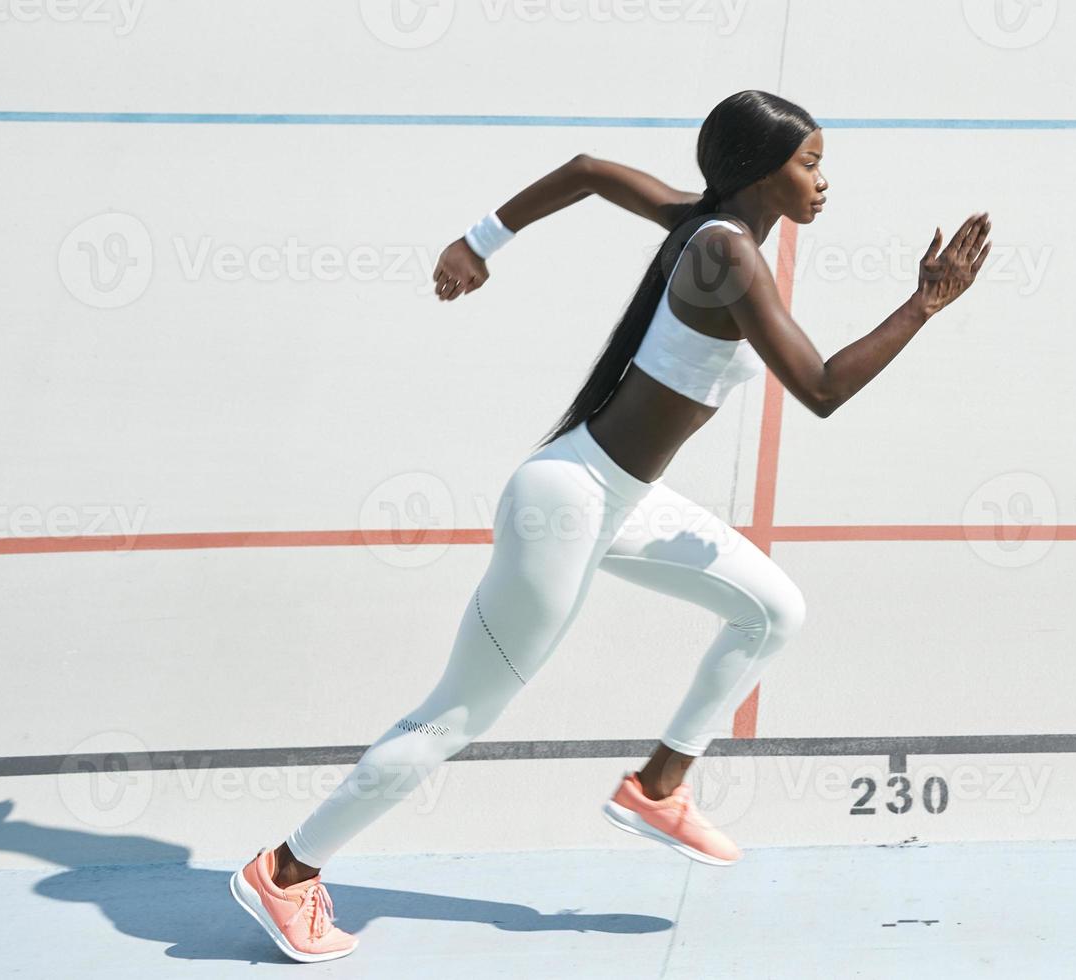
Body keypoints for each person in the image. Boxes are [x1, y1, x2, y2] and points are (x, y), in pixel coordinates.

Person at [228, 89, 993, 963]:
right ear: (757, 171)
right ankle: (286, 871)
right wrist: (924, 305)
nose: (825, 183)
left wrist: (479, 244)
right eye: (810, 164)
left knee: (772, 609)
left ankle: (659, 787)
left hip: (620, 498)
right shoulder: (729, 256)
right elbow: (819, 389)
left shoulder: (702, 219)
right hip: (570, 503)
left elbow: (591, 174)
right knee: (456, 717)